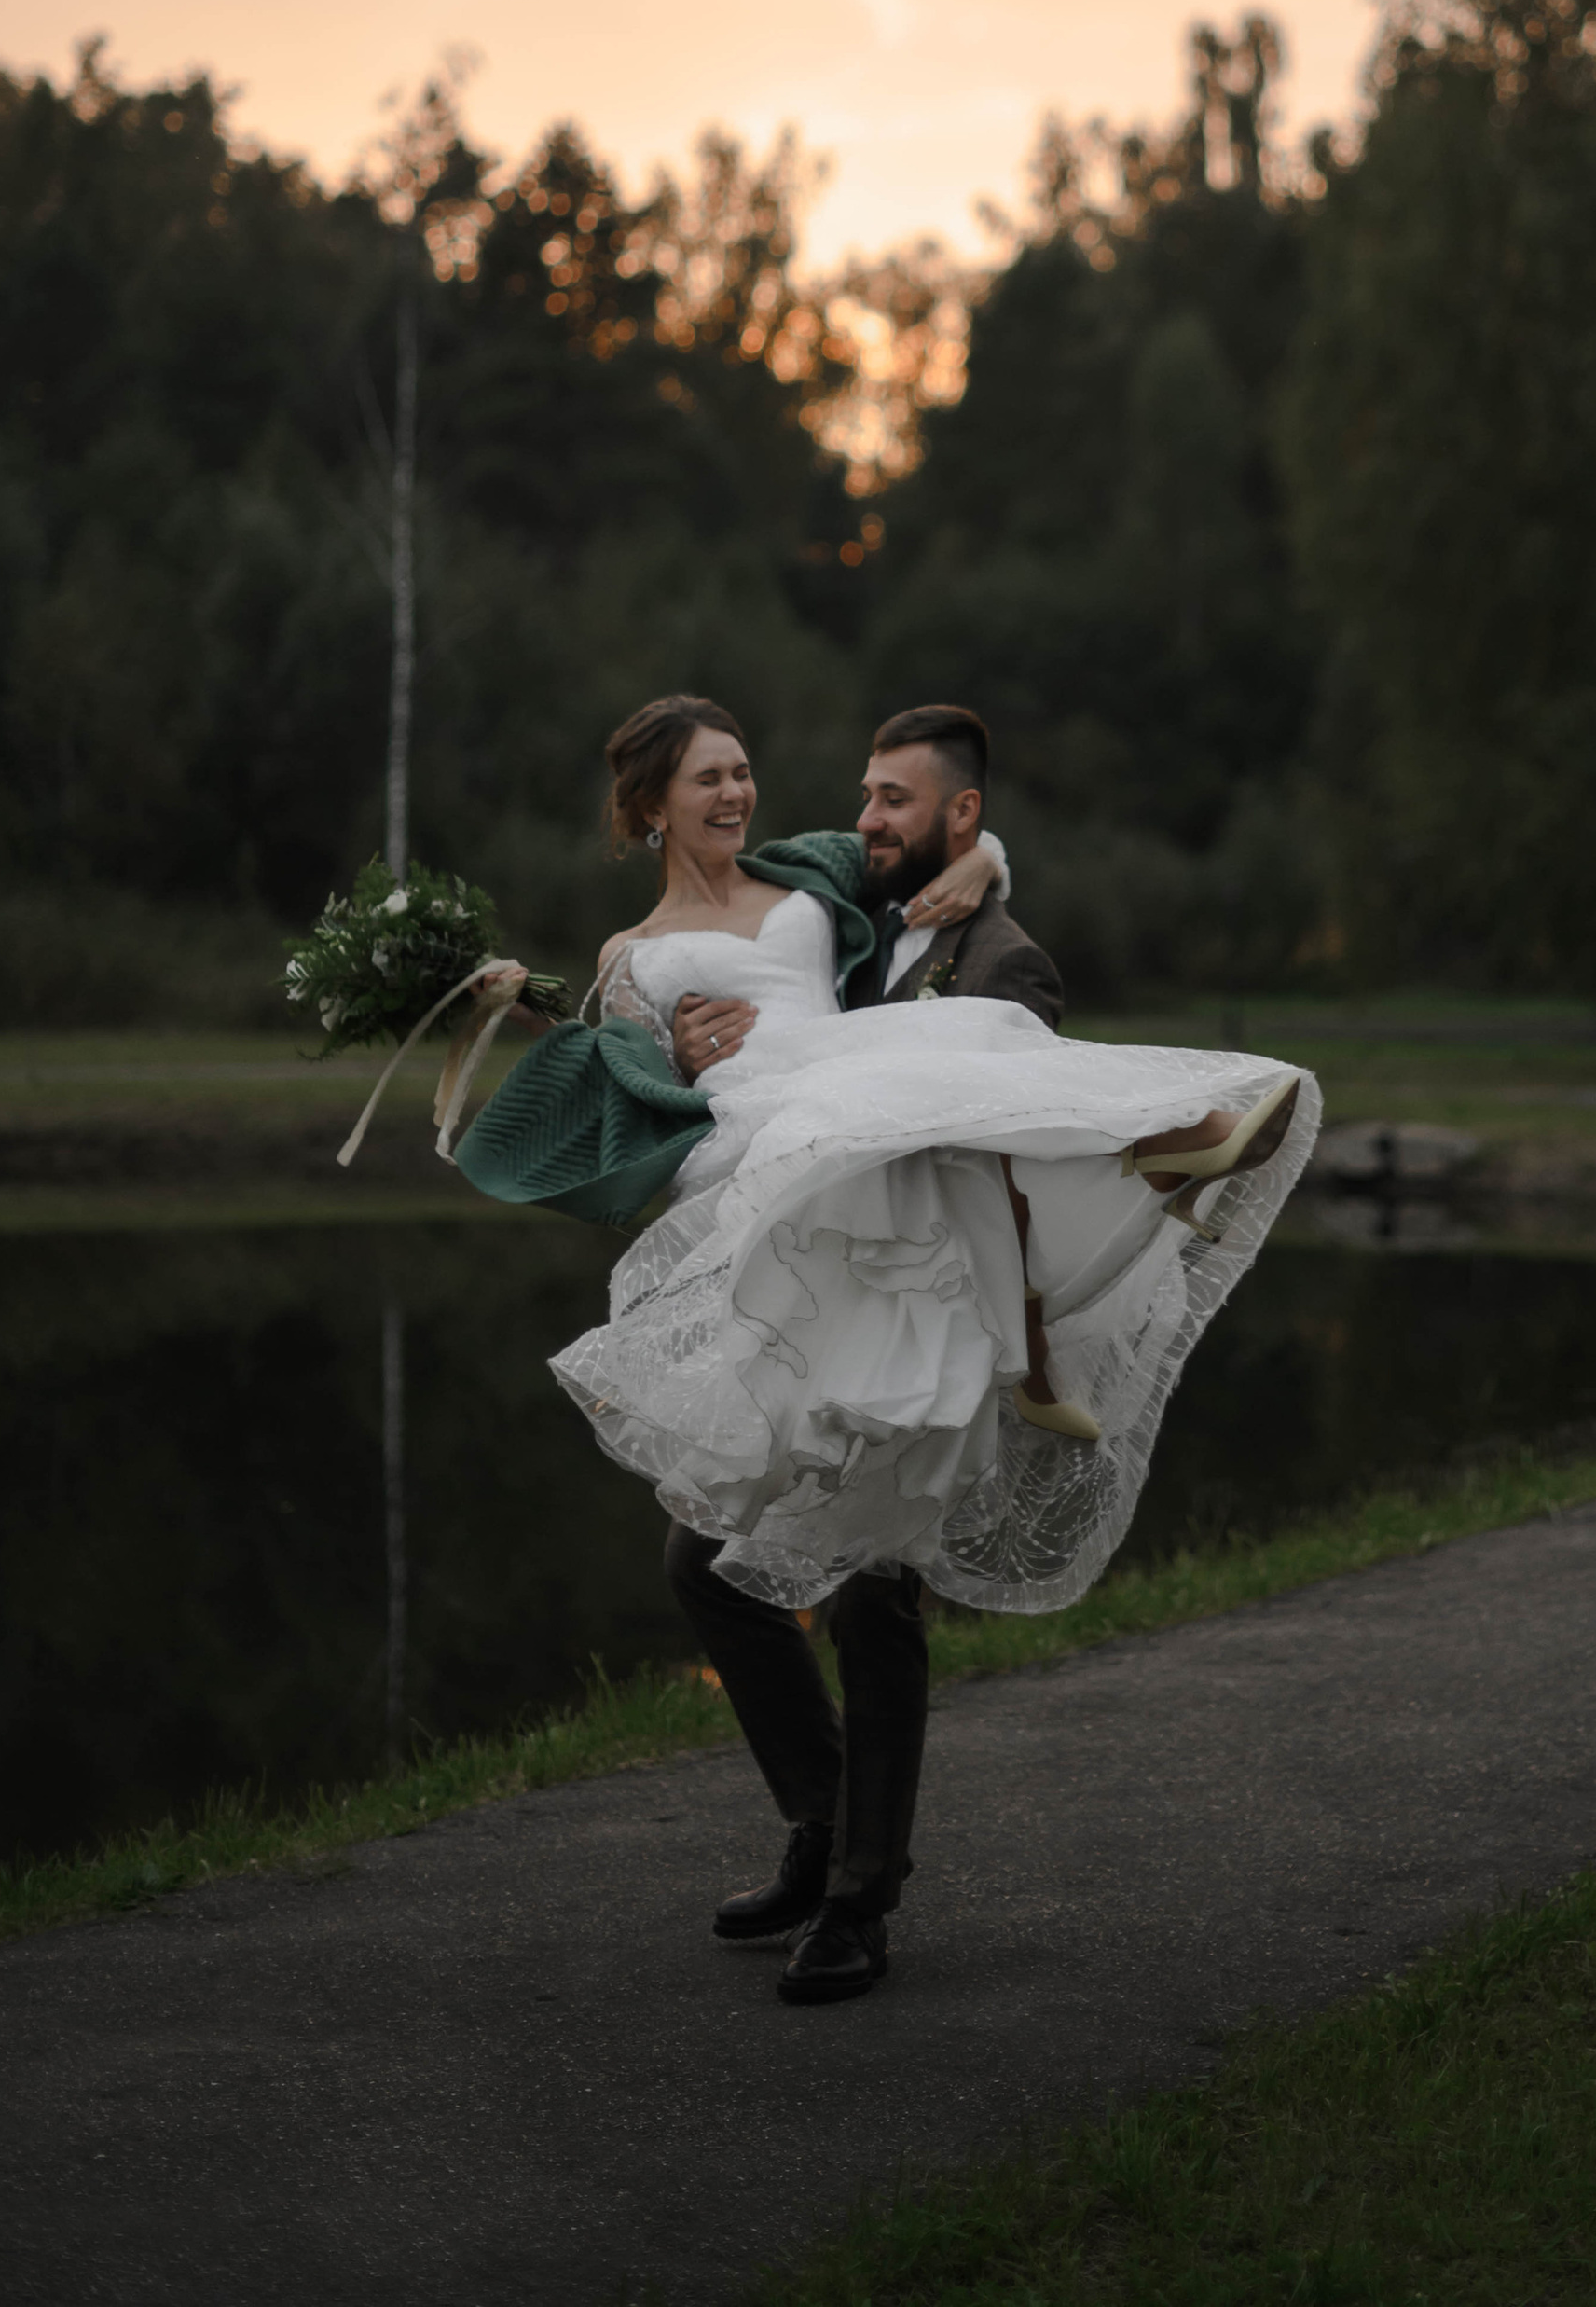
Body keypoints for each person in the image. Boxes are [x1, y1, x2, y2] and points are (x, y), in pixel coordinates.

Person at [511, 690, 1317, 2005]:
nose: (738, 796)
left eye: (744, 771)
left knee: (877, 1583)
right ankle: (825, 1829)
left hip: (900, 1252)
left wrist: (989, 862)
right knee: (707, 1565)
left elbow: (964, 911)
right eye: (709, 779)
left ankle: (858, 1902)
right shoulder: (686, 939)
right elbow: (614, 1111)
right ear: (650, 805)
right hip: (780, 1236)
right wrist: (619, 1041)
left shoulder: (885, 908)